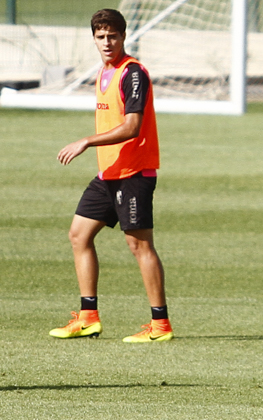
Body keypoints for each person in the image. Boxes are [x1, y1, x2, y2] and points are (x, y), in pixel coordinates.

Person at [50, 9, 173, 343]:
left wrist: (87, 141)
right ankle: (88, 317)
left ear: (123, 36)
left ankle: (160, 325)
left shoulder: (132, 73)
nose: (107, 42)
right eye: (101, 37)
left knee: (139, 245)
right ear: (94, 39)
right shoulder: (102, 73)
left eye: (113, 36)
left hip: (134, 173)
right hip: (109, 174)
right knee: (79, 235)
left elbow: (132, 126)